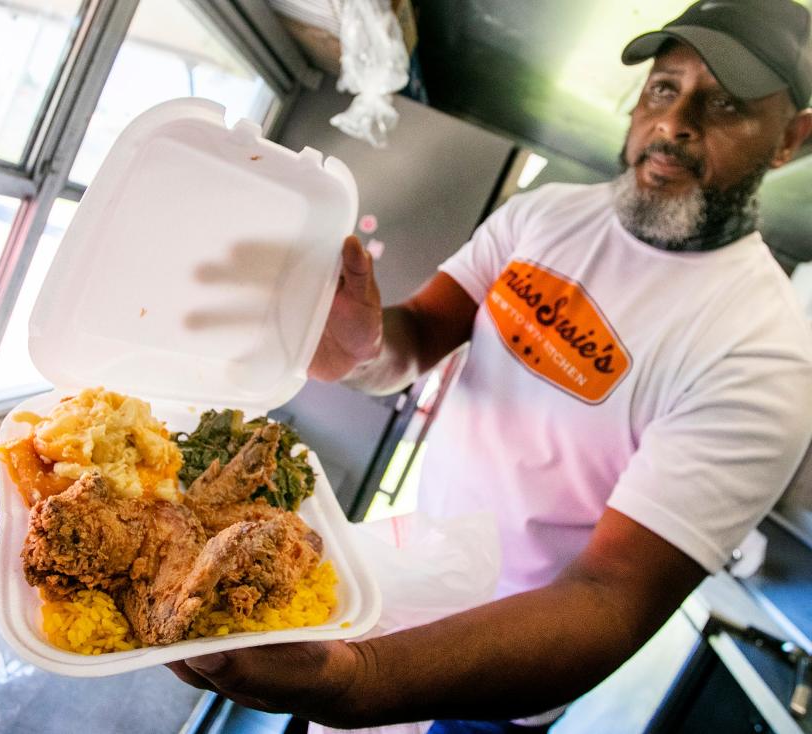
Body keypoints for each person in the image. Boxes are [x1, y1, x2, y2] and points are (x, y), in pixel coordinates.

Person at [169, 0, 812, 730]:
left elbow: (608, 598)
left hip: (502, 666)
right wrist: (355, 345)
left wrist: (360, 681)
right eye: (665, 86)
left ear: (792, 138)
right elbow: (414, 339)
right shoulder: (546, 216)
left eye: (724, 103)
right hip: (407, 570)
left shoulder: (761, 356)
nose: (675, 121)